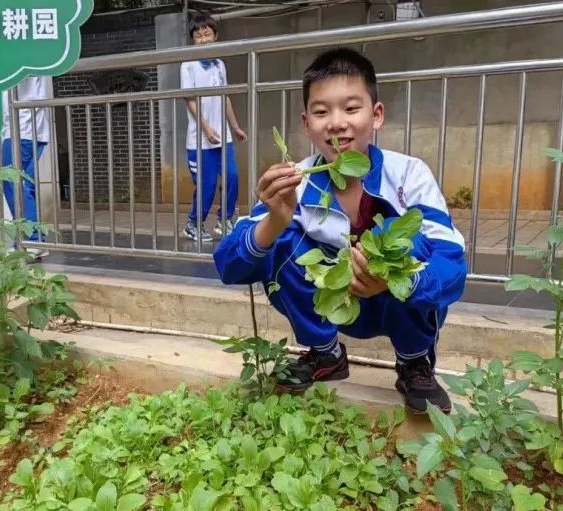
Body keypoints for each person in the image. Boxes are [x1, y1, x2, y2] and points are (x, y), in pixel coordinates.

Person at [213, 48, 467, 414]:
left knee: (411, 239)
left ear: (376, 115)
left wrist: (398, 280)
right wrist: (275, 221)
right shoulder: (296, 180)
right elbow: (228, 265)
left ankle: (414, 362)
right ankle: (325, 354)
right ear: (306, 123)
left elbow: (452, 266)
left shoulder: (408, 174)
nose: (336, 123)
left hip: (395, 299)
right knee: (282, 241)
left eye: (351, 108)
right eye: (321, 111)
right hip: (330, 300)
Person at [180, 13, 247, 242]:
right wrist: (206, 129)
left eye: (207, 34)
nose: (203, 39)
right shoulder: (188, 64)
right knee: (207, 185)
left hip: (223, 137)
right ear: (193, 40)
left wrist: (235, 127)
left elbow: (225, 97)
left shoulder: (219, 64)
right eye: (198, 36)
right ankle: (193, 224)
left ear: (215, 36)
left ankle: (225, 220)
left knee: (232, 177)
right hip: (200, 139)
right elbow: (189, 100)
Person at [1, 76, 50, 259]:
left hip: (21, 129)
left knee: (14, 184)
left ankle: (32, 239)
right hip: (26, 129)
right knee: (22, 186)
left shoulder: (17, 53)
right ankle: (31, 240)